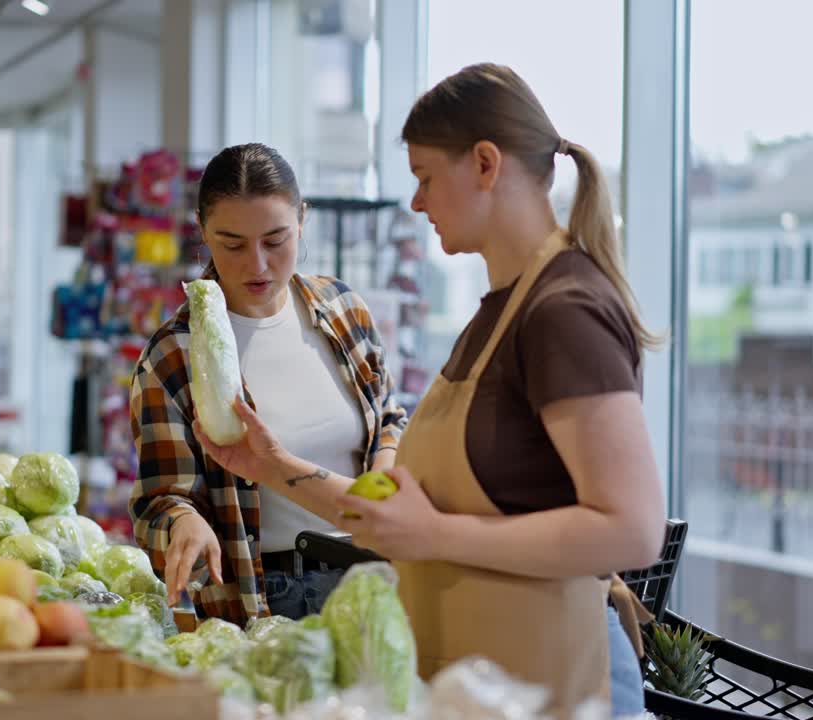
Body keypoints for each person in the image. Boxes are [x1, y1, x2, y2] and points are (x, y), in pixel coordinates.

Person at [191, 65, 665, 719]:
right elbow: (393, 518)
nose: (416, 202)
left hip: (562, 678)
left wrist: (439, 535)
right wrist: (274, 466)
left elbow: (632, 530)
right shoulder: (494, 317)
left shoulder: (564, 310)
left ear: (486, 164)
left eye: (424, 178)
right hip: (487, 682)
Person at [129, 143, 407, 624]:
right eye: (232, 244)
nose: (256, 265)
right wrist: (185, 524)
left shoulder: (343, 309)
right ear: (202, 232)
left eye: (276, 240)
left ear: (302, 219)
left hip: (376, 576)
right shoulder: (173, 357)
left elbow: (389, 418)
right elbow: (162, 498)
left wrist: (378, 499)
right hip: (268, 598)